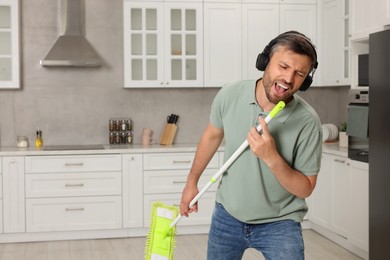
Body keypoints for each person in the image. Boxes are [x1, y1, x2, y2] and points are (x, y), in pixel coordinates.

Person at [179, 30, 323, 260]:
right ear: (264, 62)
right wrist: (191, 183)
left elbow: (305, 188)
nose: (288, 79)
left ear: (306, 81)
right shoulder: (230, 94)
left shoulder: (308, 121)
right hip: (227, 216)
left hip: (281, 223)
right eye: (283, 66)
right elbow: (211, 137)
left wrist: (271, 157)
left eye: (299, 74)